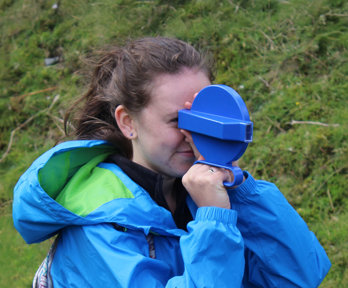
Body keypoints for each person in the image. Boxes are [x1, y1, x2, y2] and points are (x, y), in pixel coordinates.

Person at [13, 37, 330, 287]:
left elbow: (300, 277)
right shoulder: (100, 227)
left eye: (203, 119)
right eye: (177, 119)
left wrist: (239, 192)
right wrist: (214, 221)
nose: (193, 135)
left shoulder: (197, 190)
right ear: (128, 123)